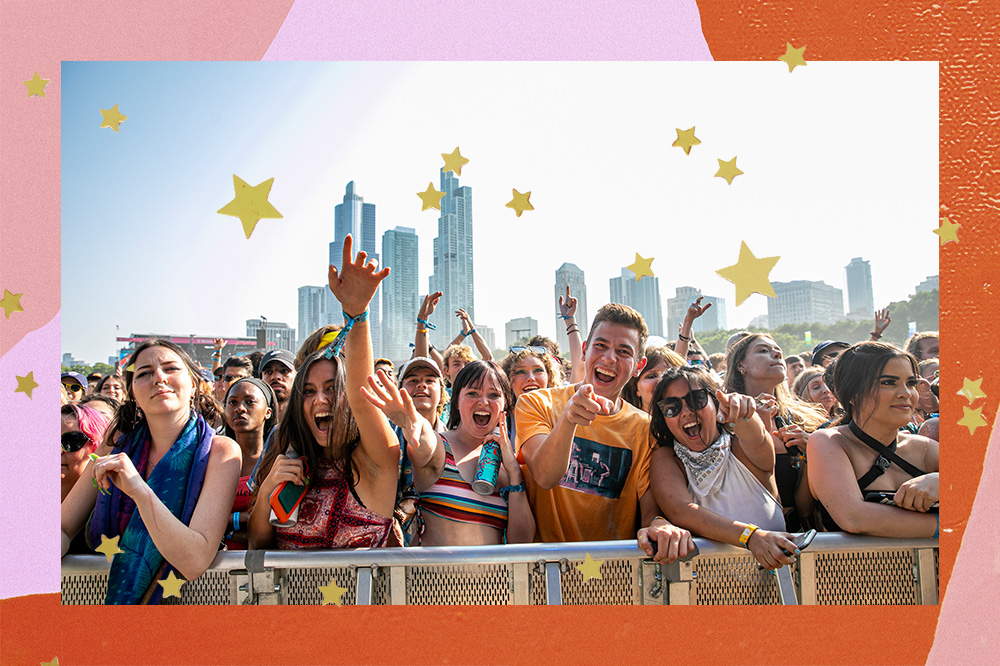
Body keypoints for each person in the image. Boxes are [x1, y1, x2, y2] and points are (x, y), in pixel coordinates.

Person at [248, 235, 400, 550]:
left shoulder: (376, 461)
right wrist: (266, 494)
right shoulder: (286, 456)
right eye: (308, 391)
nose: (320, 399)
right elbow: (257, 545)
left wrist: (358, 315)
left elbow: (361, 397)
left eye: (332, 389)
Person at [61, 340, 241, 604]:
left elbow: (195, 561)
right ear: (132, 392)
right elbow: (63, 527)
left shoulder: (221, 452)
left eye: (170, 369)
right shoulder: (115, 444)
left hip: (193, 608)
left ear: (194, 384)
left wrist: (139, 490)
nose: (159, 378)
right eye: (144, 373)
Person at [514, 303, 665, 545]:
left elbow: (649, 509)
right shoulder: (536, 403)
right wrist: (568, 419)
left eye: (624, 351)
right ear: (584, 351)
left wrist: (659, 524)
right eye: (601, 346)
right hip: (546, 572)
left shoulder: (646, 429)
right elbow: (544, 476)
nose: (609, 358)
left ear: (638, 366)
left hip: (613, 575)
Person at [638, 366, 797, 570]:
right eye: (672, 407)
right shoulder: (668, 459)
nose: (686, 411)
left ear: (715, 401)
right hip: (712, 592)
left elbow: (755, 435)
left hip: (776, 584)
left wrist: (744, 412)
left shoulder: (741, 447)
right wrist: (751, 537)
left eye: (696, 399)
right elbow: (682, 512)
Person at [370, 360, 532, 546]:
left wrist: (514, 474)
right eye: (473, 393)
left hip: (494, 575)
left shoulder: (509, 465)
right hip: (434, 574)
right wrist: (412, 421)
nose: (483, 402)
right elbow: (424, 440)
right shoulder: (440, 447)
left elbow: (522, 541)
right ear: (456, 402)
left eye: (494, 395)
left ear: (505, 406)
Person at [807, 342, 939, 537]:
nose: (906, 393)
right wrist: (951, 525)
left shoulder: (927, 449)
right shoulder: (828, 441)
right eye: (888, 382)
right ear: (853, 394)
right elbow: (854, 517)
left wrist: (943, 482)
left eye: (911, 383)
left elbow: (986, 500)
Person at [724, 334, 827, 531]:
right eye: (763, 350)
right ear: (740, 366)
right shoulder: (724, 419)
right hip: (749, 538)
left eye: (778, 350)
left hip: (801, 536)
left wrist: (812, 450)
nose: (777, 354)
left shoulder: (802, 421)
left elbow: (805, 507)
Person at [222, 377, 278, 549]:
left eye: (250, 402)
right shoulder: (214, 459)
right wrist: (245, 519)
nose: (239, 409)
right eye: (232, 402)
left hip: (267, 565)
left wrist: (228, 525)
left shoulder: (277, 461)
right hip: (220, 569)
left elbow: (277, 526)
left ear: (268, 412)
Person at [621, 346, 685, 413]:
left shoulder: (693, 419)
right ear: (635, 389)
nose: (662, 379)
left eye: (670, 372)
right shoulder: (626, 422)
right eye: (652, 376)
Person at [258, 349, 296, 423]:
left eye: (284, 371)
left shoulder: (307, 420)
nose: (275, 377)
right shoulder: (253, 422)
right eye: (268, 372)